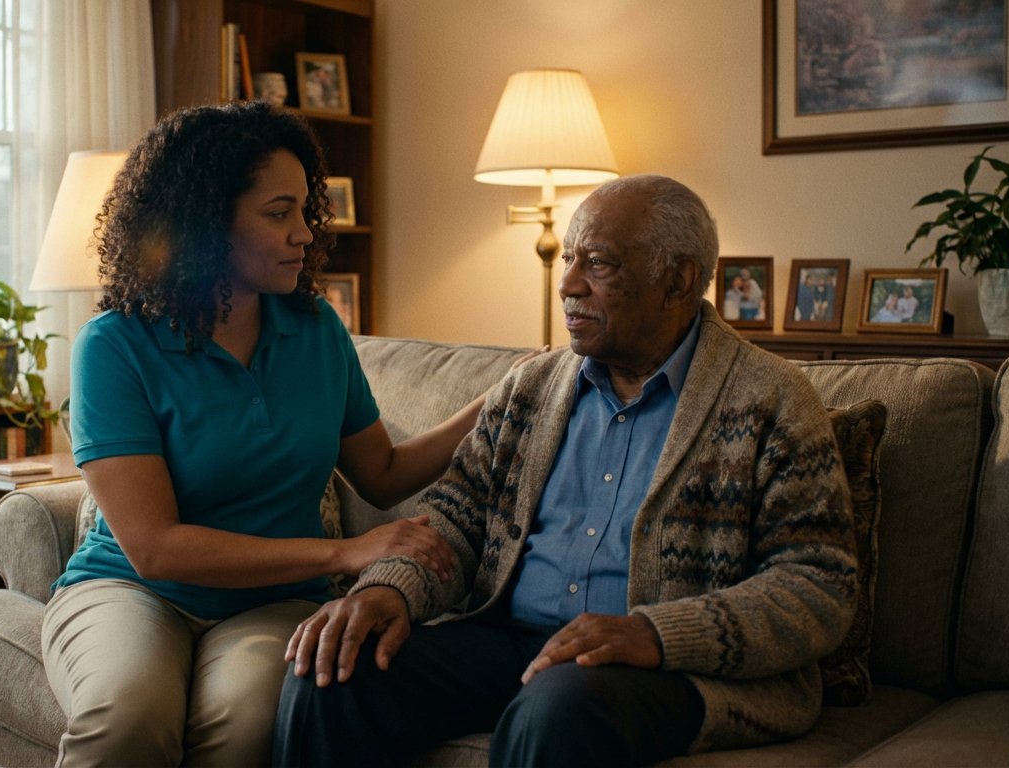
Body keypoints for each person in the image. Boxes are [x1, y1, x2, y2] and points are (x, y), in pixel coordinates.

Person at [274, 175, 858, 768]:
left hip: (669, 665)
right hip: (511, 640)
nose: (569, 284)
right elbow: (455, 518)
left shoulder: (773, 400)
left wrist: (657, 634)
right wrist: (386, 589)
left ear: (677, 280)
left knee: (558, 705)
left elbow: (817, 584)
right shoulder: (532, 386)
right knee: (334, 669)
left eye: (598, 264)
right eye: (570, 258)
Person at [43, 100, 540, 768]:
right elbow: (156, 549)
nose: (304, 232)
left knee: (246, 724)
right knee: (128, 717)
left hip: (272, 604)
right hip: (131, 590)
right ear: (204, 224)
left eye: (305, 210)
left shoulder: (315, 329)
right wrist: (343, 554)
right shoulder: (115, 346)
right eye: (278, 214)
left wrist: (498, 399)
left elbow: (383, 472)